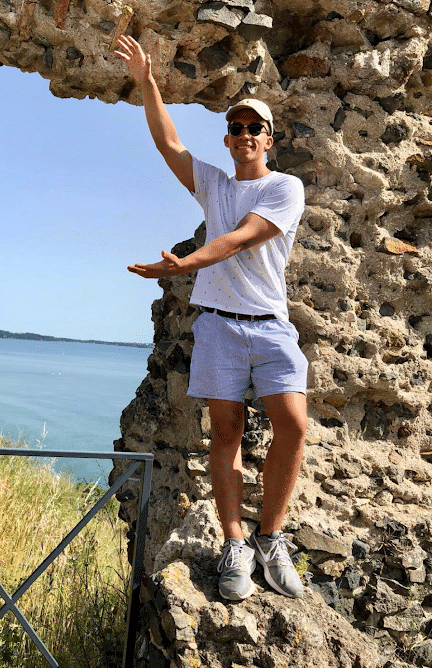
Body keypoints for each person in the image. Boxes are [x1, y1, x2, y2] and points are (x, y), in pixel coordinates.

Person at [114, 34, 308, 601]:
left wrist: (181, 265)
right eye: (238, 129)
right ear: (228, 141)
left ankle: (271, 537)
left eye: (256, 128)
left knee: (292, 425)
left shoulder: (284, 188)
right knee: (224, 434)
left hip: (270, 325)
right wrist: (148, 81)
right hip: (219, 324)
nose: (247, 135)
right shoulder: (215, 183)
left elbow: (239, 241)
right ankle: (234, 542)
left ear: (268, 140)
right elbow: (167, 141)